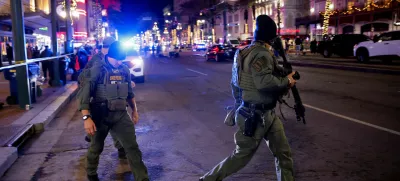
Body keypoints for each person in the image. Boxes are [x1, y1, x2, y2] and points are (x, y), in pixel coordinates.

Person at [200, 15, 296, 181]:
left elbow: (235, 83)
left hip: (266, 113)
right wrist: (287, 81)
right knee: (240, 157)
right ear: (272, 37)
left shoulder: (243, 52)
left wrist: (240, 103)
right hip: (256, 116)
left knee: (283, 153)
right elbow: (265, 82)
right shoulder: (262, 54)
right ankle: (207, 179)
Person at [77, 41, 149, 181]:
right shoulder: (98, 69)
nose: (118, 62)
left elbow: (129, 93)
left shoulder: (124, 70)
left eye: (121, 59)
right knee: (96, 148)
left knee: (132, 147)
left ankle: (143, 178)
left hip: (121, 114)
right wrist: (87, 118)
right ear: (109, 56)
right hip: (100, 115)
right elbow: (83, 95)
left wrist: (134, 111)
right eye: (116, 59)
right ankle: (91, 174)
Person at [78, 36, 127, 159]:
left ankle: (119, 148)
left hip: (110, 96)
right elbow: (88, 80)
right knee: (105, 122)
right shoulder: (97, 60)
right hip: (97, 97)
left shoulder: (107, 58)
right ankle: (114, 147)